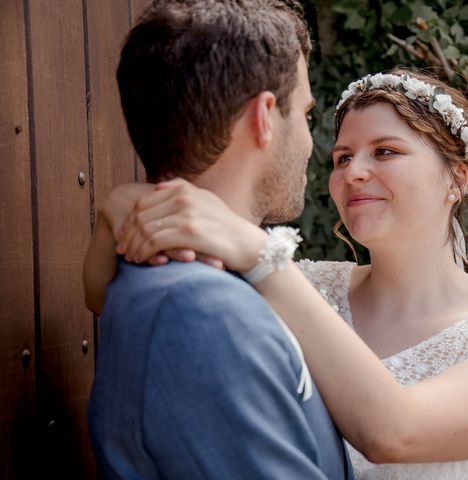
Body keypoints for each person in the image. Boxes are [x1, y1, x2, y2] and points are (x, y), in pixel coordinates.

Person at [85, 68, 468, 478]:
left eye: (385, 151)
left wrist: (260, 252)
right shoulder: (305, 284)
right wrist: (119, 212)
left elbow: (395, 433)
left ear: (457, 180)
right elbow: (110, 295)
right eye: (342, 157)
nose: (353, 171)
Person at [85, 0, 354, 478]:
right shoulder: (201, 310)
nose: (315, 143)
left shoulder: (203, 279)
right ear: (264, 117)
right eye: (306, 115)